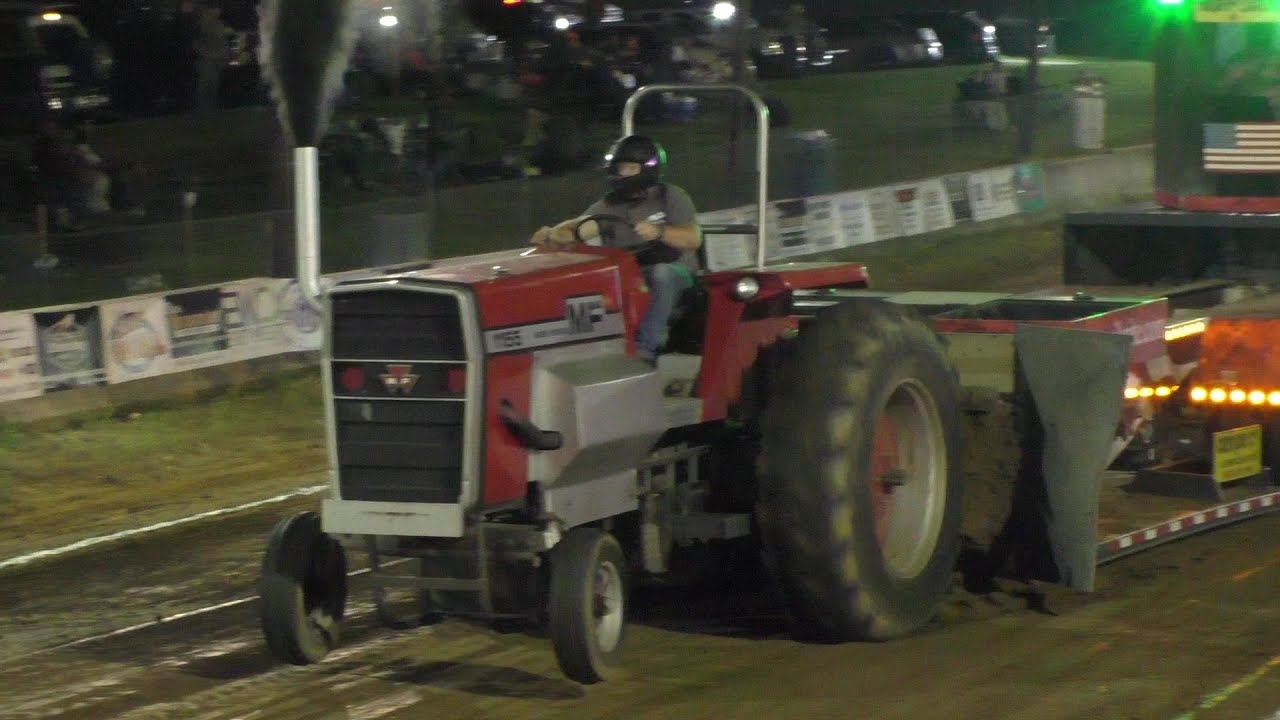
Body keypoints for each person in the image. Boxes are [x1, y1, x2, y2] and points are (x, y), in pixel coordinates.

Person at [530, 135, 702, 363]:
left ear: (648, 169)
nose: (623, 173)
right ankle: (580, 350)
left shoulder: (671, 196)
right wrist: (553, 234)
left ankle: (645, 350)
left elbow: (693, 238)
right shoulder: (610, 205)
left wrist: (660, 232)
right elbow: (581, 227)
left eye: (630, 168)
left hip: (678, 271)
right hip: (629, 273)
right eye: (621, 167)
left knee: (662, 273)